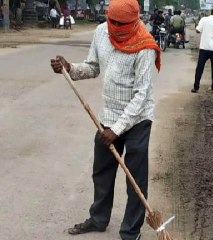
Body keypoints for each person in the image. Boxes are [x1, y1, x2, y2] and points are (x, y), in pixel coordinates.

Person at [49, 0, 161, 239]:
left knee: (135, 179)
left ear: (134, 22)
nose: (116, 27)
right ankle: (99, 219)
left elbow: (142, 95)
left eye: (122, 24)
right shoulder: (102, 32)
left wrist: (118, 129)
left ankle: (131, 231)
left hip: (137, 120)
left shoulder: (145, 45)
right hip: (108, 117)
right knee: (102, 170)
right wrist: (70, 68)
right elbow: (93, 67)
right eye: (113, 22)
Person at [191, 7, 213, 93]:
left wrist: (197, 26)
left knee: (200, 68)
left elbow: (198, 31)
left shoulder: (204, 19)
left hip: (204, 48)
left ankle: (196, 87)